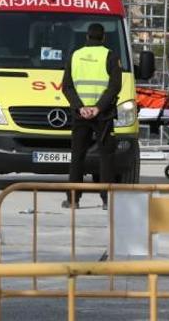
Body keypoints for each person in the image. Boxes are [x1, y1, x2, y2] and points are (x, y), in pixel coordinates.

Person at [61, 23, 123, 210]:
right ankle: (106, 200)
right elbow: (115, 86)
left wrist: (80, 108)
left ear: (87, 37)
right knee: (106, 156)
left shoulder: (75, 55)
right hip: (102, 115)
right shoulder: (110, 56)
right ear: (103, 38)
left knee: (77, 155)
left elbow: (67, 86)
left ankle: (73, 200)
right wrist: (98, 107)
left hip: (81, 115)